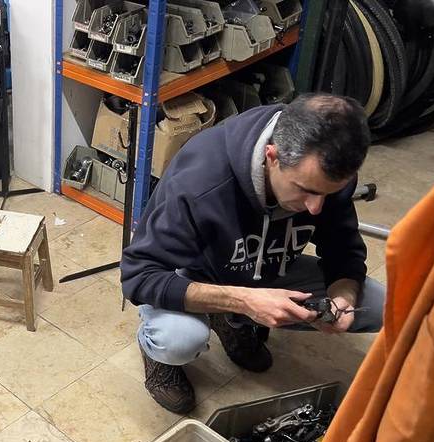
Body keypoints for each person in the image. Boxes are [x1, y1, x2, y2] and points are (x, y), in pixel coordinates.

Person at [121, 93, 386, 415]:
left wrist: (342, 294)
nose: (316, 207)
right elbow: (138, 276)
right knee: (177, 339)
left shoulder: (327, 172)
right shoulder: (200, 179)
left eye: (326, 194)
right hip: (196, 271)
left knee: (378, 306)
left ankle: (232, 322)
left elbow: (344, 251)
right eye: (306, 190)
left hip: (266, 264)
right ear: (272, 156)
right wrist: (243, 301)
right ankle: (163, 354)